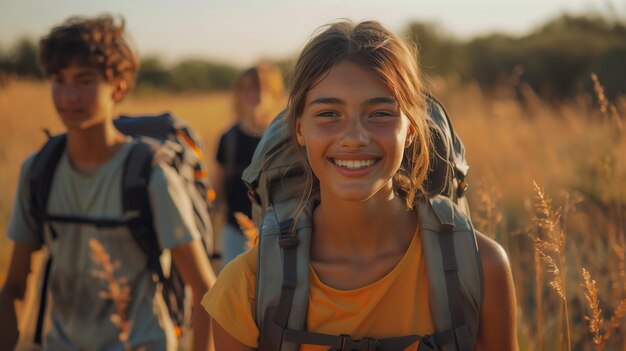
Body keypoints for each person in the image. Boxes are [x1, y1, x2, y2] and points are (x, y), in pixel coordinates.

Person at [203, 20, 518, 350]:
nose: (354, 138)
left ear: (411, 129)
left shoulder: (482, 268)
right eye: (328, 114)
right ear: (299, 129)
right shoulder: (246, 289)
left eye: (380, 113)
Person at [0, 15, 215, 351]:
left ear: (119, 87)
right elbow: (14, 285)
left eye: (85, 80)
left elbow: (204, 289)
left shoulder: (149, 176)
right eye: (59, 80)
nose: (69, 96)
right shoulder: (39, 171)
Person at [212, 63, 284, 265]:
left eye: (260, 88)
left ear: (274, 93)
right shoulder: (229, 139)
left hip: (279, 233)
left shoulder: (284, 139)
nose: (254, 95)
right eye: (247, 89)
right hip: (235, 233)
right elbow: (217, 193)